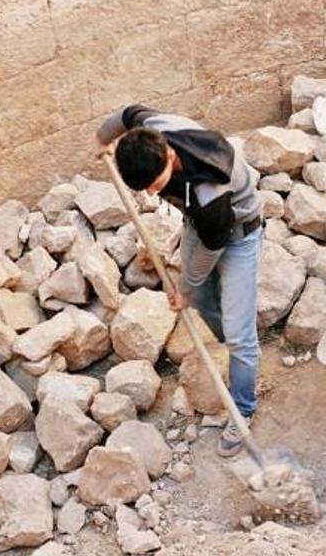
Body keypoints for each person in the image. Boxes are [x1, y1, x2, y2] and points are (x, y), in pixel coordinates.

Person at [96, 105, 264, 456]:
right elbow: (127, 115)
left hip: (237, 231)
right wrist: (101, 139)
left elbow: (211, 248)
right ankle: (229, 342)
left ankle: (243, 407)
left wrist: (184, 288)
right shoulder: (154, 130)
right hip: (199, 224)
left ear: (170, 155)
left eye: (156, 184)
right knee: (204, 301)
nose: (153, 195)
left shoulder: (209, 193)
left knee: (238, 332)